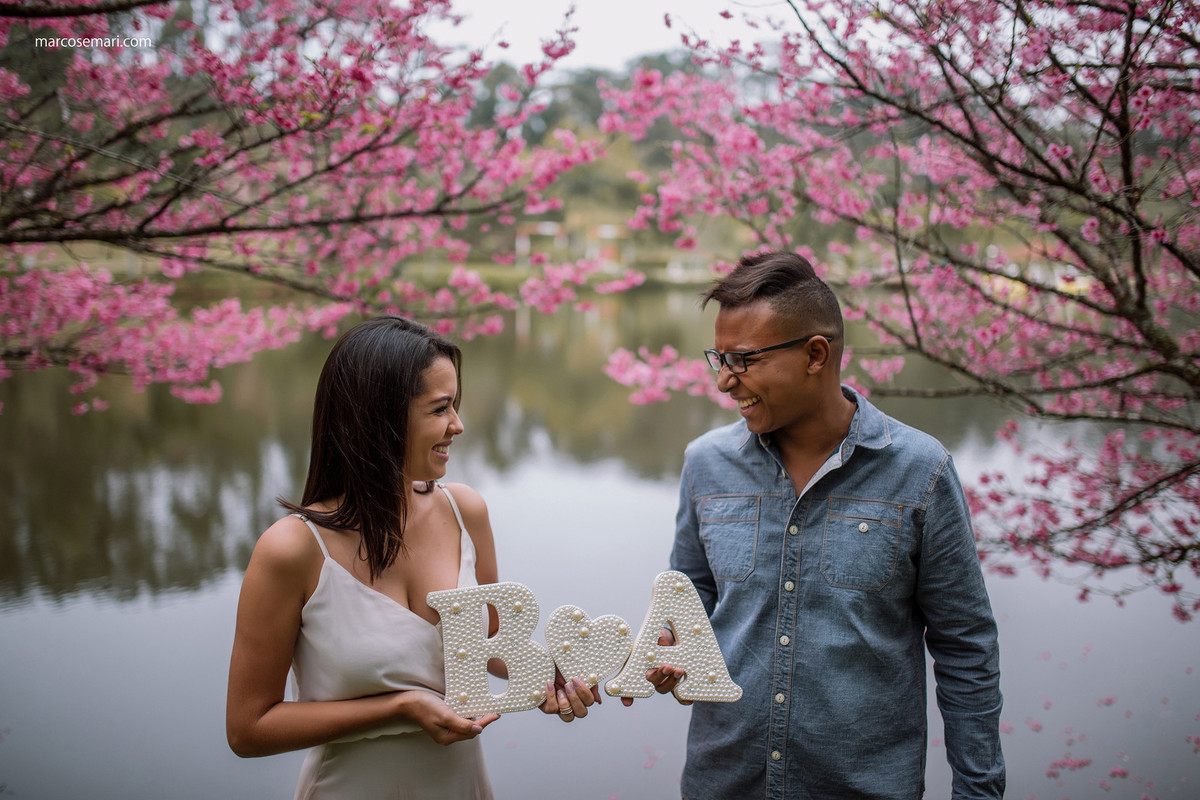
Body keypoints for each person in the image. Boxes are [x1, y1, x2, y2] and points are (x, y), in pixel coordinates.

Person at [641, 251, 1005, 799]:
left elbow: (965, 647)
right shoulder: (705, 463)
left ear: (816, 354)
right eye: (718, 358)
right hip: (723, 782)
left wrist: (979, 791)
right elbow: (690, 594)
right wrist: (669, 641)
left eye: (743, 361)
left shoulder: (921, 471)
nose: (723, 382)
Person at [226, 315, 597, 800]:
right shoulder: (292, 550)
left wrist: (552, 675)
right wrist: (398, 709)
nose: (458, 426)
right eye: (440, 408)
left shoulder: (465, 511)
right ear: (378, 418)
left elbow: (488, 647)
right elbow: (248, 729)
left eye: (456, 406)